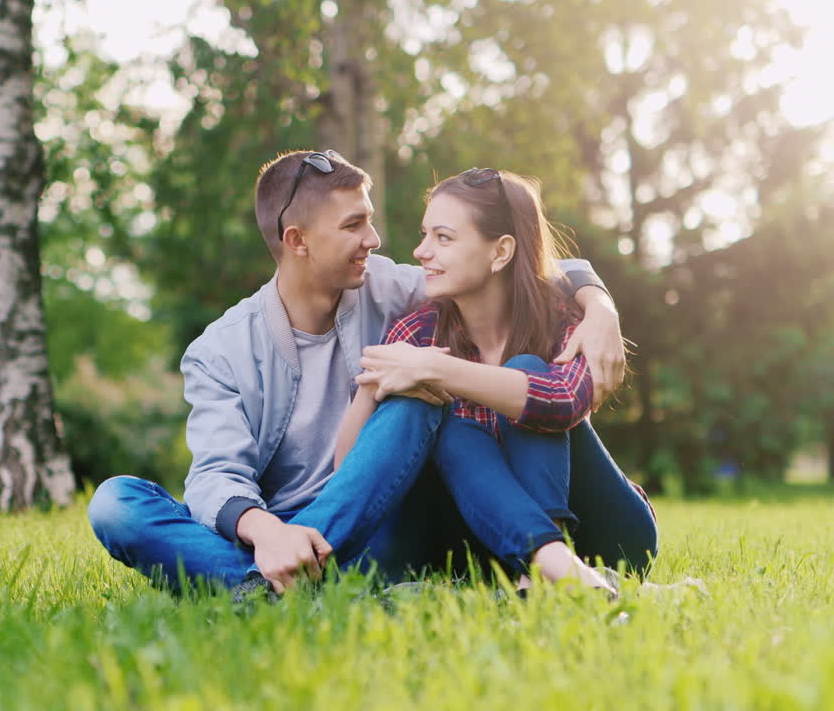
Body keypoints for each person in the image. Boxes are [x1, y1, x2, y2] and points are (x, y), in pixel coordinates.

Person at [88, 150, 651, 595]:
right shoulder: (221, 351)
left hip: (379, 524)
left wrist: (599, 303)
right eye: (355, 225)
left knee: (419, 399)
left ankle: (281, 587)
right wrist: (272, 534)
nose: (377, 242)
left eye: (371, 223)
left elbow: (513, 266)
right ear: (298, 242)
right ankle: (274, 581)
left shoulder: (387, 285)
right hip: (279, 529)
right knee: (116, 503)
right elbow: (214, 480)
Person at [338, 168, 656, 594]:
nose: (420, 251)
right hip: (484, 543)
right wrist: (372, 384)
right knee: (448, 424)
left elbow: (560, 401)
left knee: (526, 366)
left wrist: (438, 371)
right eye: (424, 234)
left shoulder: (566, 321)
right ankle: (545, 564)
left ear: (501, 252)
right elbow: (348, 469)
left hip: (608, 537)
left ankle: (553, 554)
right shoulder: (416, 333)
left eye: (443, 238)